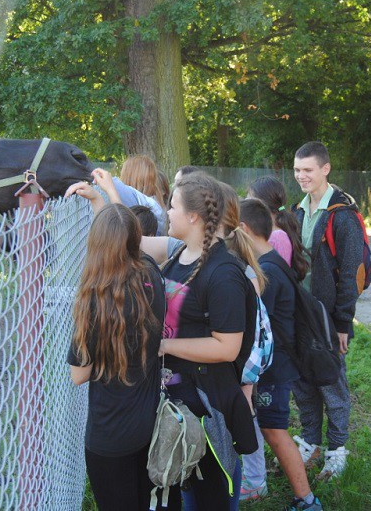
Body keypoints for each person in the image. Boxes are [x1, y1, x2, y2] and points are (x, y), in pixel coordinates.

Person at [158, 172, 258, 509]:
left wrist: (164, 346)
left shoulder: (224, 274)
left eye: (172, 207)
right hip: (178, 405)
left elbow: (226, 347)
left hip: (207, 408)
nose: (166, 213)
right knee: (186, 495)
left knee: (211, 496)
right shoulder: (179, 257)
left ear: (193, 216)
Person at [67, 204, 174, 510]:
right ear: (135, 239)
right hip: (148, 423)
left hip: (109, 435)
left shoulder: (93, 302)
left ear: (95, 245)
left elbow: (79, 375)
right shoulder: (152, 273)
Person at [239, 198, 323, 511]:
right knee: (268, 427)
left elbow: (255, 323)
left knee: (275, 431)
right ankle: (257, 483)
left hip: (276, 369)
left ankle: (307, 500)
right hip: (276, 365)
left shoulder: (268, 272)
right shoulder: (271, 261)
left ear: (244, 230)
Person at [292, 141, 364, 480]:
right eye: (297, 170)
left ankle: (337, 450)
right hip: (298, 316)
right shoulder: (297, 210)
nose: (301, 176)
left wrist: (342, 324)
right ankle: (310, 442)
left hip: (327, 319)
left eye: (308, 170)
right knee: (303, 383)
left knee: (332, 386)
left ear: (325, 169)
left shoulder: (342, 215)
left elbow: (349, 274)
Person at [247, 175, 311, 280]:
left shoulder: (278, 237)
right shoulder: (268, 231)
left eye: (250, 198)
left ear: (263, 203)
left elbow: (278, 278)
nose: (246, 201)